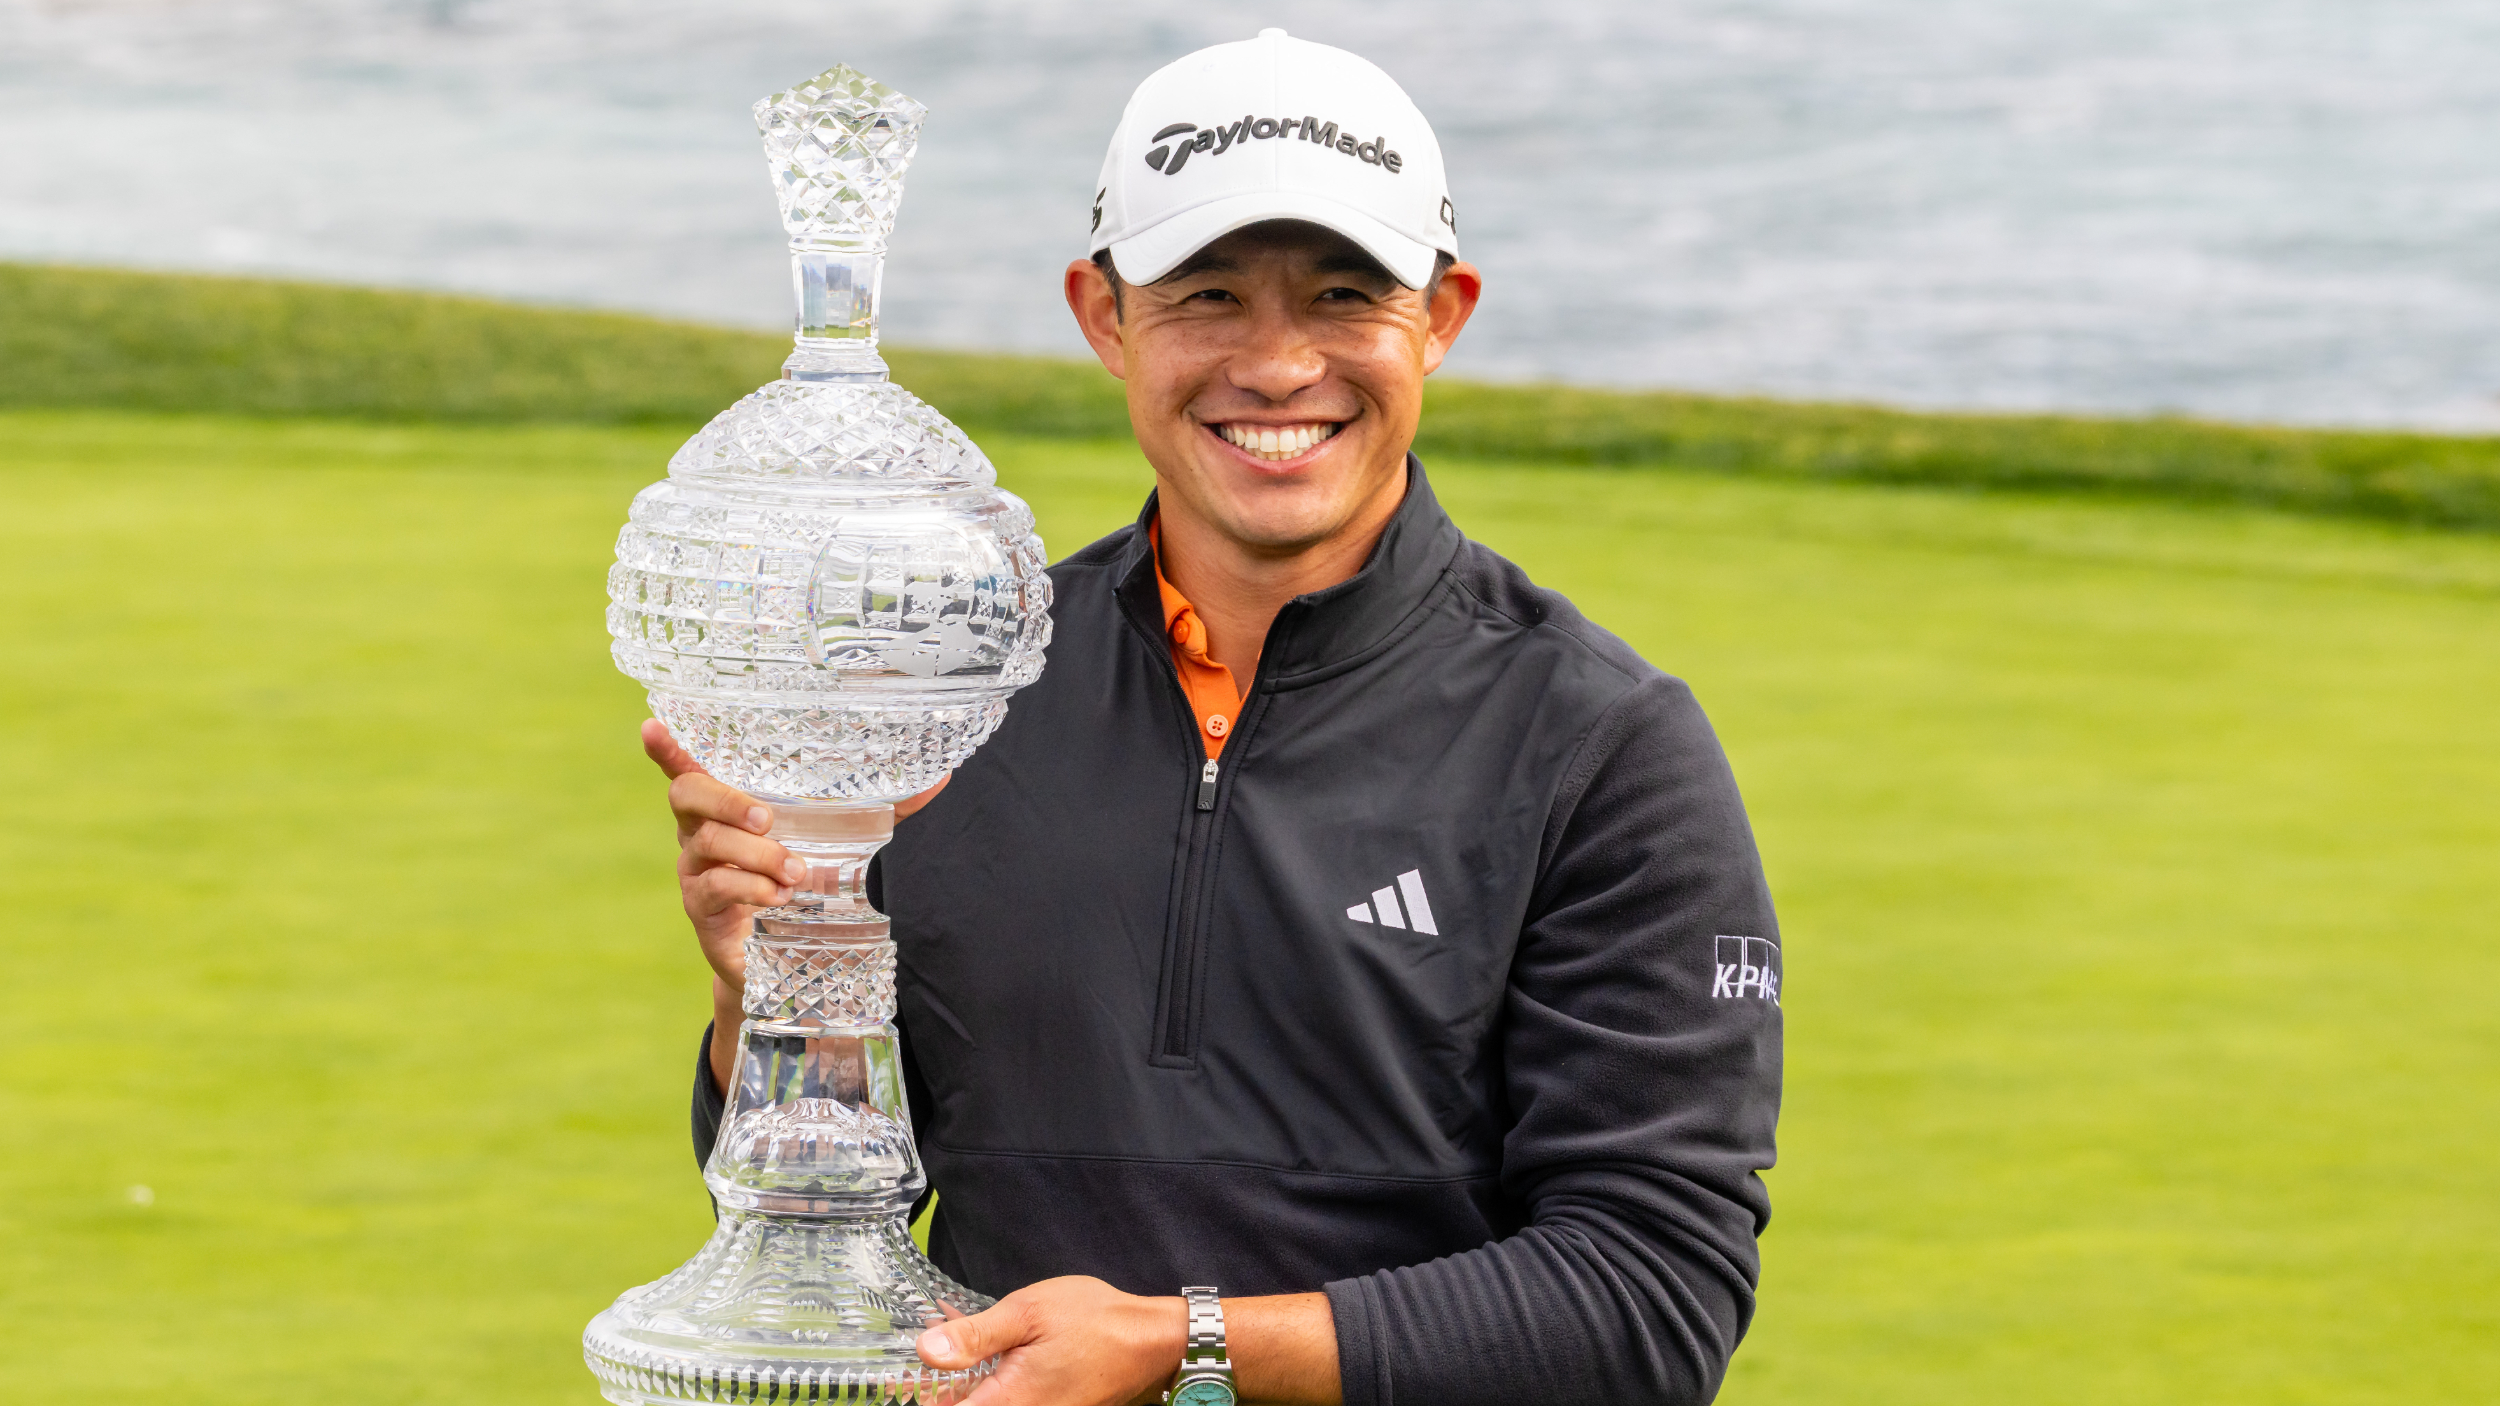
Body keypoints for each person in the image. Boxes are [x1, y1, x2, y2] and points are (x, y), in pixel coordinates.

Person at [643, 28, 1782, 1406]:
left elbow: (1647, 1303)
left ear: (1444, 315)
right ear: (1101, 314)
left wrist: (1181, 1345)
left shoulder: (1603, 746)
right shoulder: (944, 689)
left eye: (1347, 295)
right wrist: (762, 994)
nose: (1281, 364)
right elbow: (819, 1223)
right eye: (1209, 295)